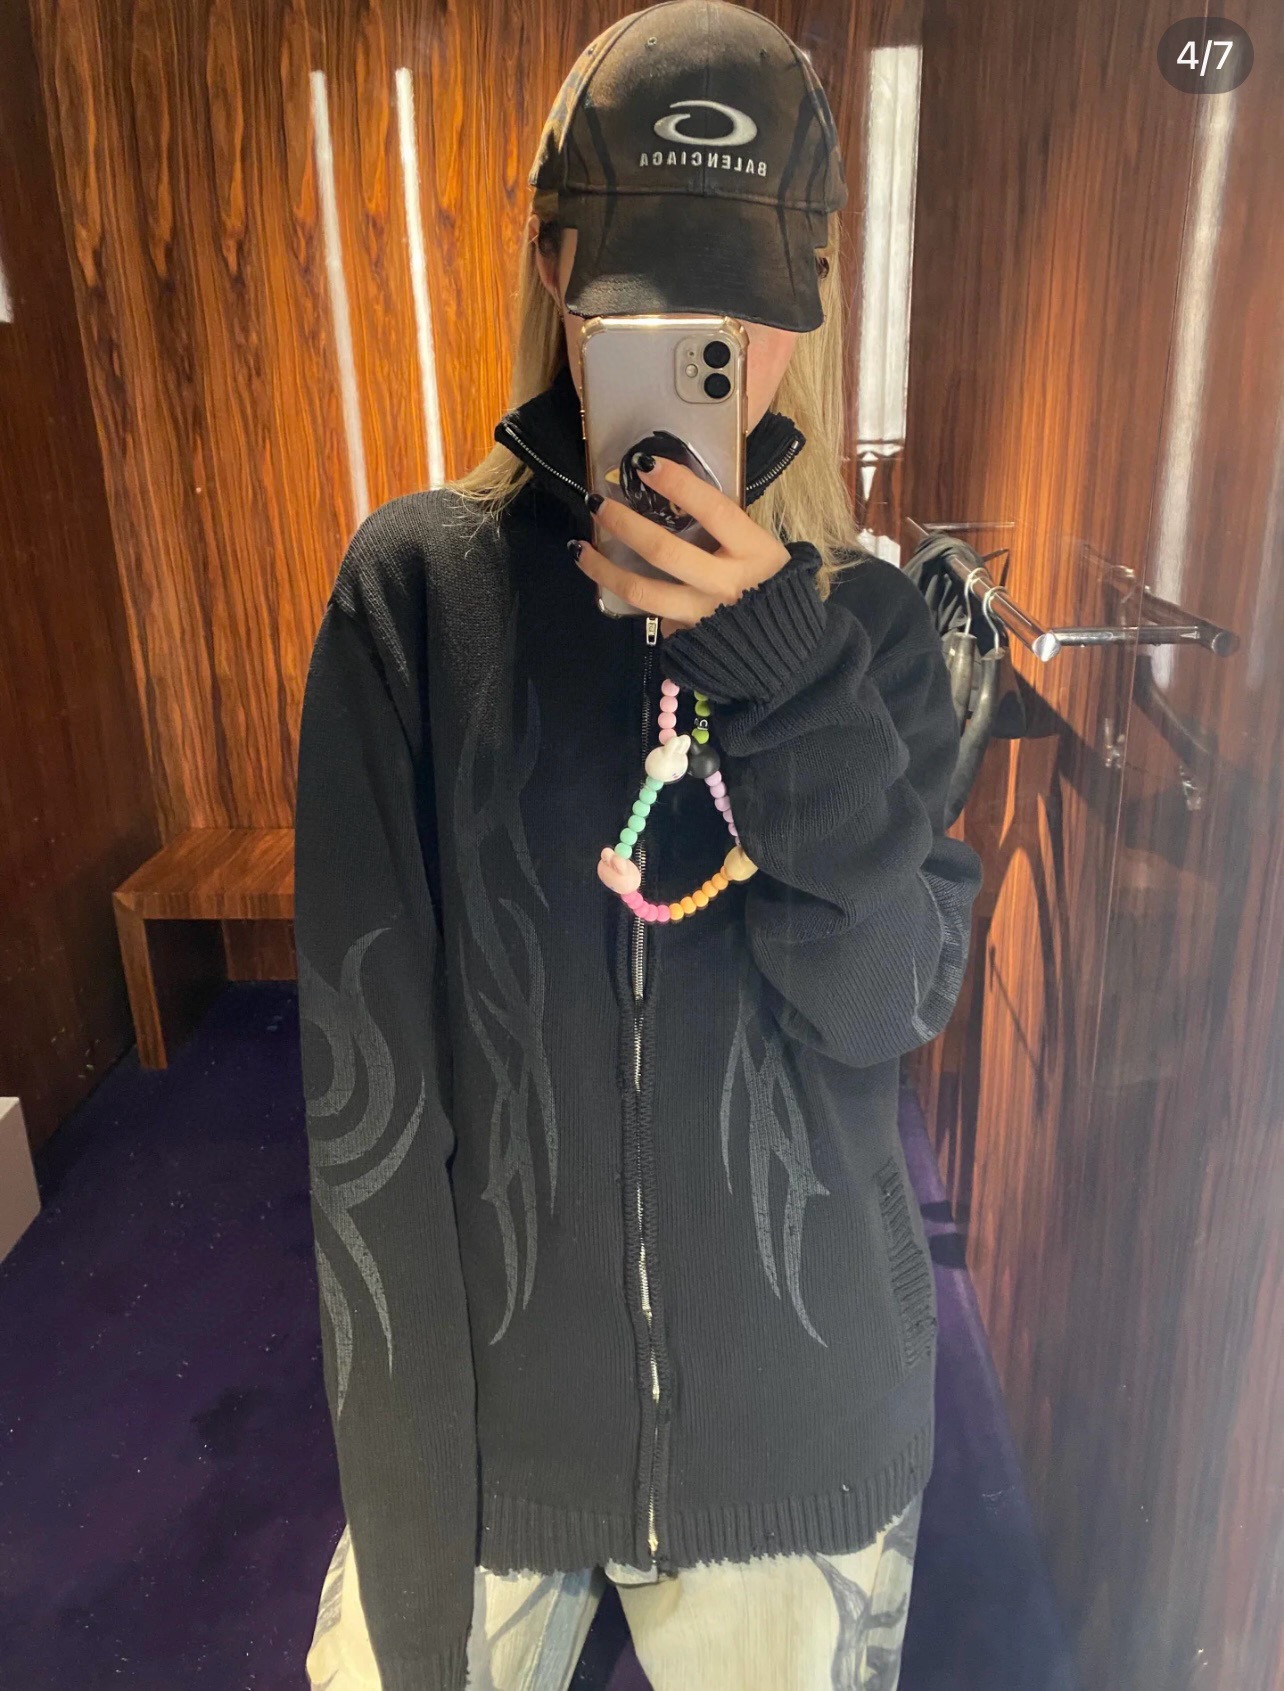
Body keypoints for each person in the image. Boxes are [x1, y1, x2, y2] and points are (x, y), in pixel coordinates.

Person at [293, 4, 984, 1688]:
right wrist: (409, 1521)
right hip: (499, 1438)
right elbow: (364, 1117)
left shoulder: (870, 631)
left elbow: (888, 1002)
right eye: (653, 303)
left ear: (809, 304)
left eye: (744, 310)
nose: (703, 344)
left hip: (795, 1429)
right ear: (554, 268)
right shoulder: (417, 600)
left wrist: (783, 678)